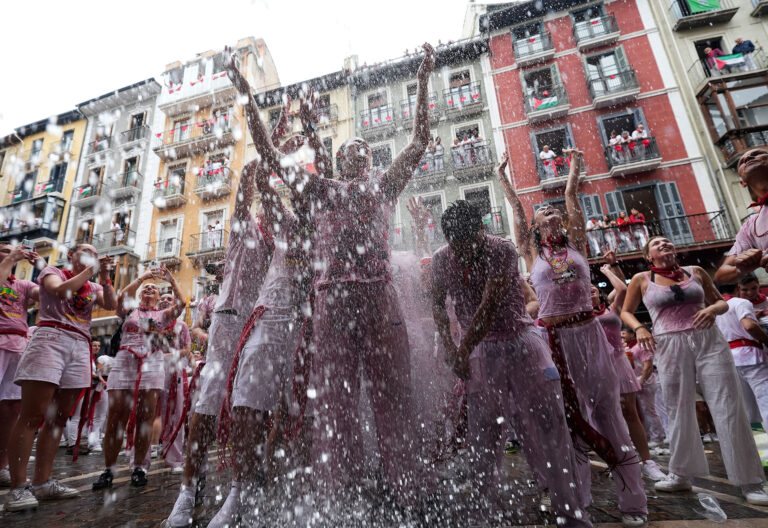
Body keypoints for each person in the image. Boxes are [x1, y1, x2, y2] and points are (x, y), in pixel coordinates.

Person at [227, 42, 436, 507]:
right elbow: (267, 151)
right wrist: (246, 93)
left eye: (364, 150)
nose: (357, 154)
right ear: (339, 161)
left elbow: (420, 140)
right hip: (333, 300)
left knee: (393, 395)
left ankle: (405, 487)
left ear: (371, 161)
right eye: (350, 150)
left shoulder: (384, 184)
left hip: (380, 297)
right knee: (334, 403)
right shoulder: (320, 190)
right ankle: (338, 492)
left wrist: (422, 80)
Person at [498, 148, 648, 526]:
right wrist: (503, 180)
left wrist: (575, 169)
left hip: (589, 333)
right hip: (554, 341)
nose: (550, 213)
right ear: (533, 227)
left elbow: (572, 199)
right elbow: (517, 214)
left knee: (610, 414)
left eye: (555, 211)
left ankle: (634, 503)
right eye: (542, 212)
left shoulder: (577, 246)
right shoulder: (532, 253)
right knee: (568, 421)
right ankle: (578, 502)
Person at [163, 95, 293, 528]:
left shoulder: (285, 241)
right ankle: (186, 492)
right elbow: (253, 175)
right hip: (229, 320)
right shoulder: (244, 224)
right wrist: (275, 139)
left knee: (253, 406)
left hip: (265, 321)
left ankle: (243, 488)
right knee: (206, 404)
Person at [431, 197, 592, 526]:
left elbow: (489, 306)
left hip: (522, 345)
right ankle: (481, 512)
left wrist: (462, 350)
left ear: (481, 229)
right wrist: (449, 346)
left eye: (468, 243)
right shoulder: (440, 258)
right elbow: (436, 302)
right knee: (484, 437)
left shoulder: (501, 249)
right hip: (480, 353)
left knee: (550, 430)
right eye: (455, 245)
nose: (462, 251)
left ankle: (570, 512)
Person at [621, 236, 768, 505]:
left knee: (728, 405)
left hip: (709, 339)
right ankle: (680, 473)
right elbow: (626, 312)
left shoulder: (695, 272)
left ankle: (751, 481)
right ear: (648, 256)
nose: (664, 243)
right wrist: (640, 328)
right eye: (657, 243)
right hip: (668, 343)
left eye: (667, 241)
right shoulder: (642, 279)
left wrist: (712, 309)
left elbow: (722, 302)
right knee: (678, 406)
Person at [5, 244, 116, 511]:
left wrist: (106, 278)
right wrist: (91, 270)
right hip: (51, 337)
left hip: (80, 343)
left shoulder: (93, 286)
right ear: (71, 255)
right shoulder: (53, 271)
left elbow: (113, 305)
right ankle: (18, 488)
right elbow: (58, 290)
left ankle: (42, 482)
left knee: (59, 417)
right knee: (32, 414)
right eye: (85, 251)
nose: (91, 254)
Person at [93, 265, 184, 490]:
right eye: (147, 288)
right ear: (141, 293)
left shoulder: (163, 315)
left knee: (145, 418)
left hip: (152, 363)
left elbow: (181, 303)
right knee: (116, 419)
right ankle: (109, 469)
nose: (150, 289)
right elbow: (122, 296)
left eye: (154, 288)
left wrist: (171, 279)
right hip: (124, 361)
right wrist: (143, 277)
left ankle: (140, 468)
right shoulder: (130, 310)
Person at [591, 255, 666, 481]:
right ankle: (618, 460)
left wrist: (607, 270)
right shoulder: (579, 316)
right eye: (586, 290)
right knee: (603, 416)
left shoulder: (611, 310)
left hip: (618, 363)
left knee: (630, 413)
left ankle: (647, 462)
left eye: (593, 289)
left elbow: (622, 288)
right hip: (595, 368)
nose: (590, 292)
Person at [0, 245, 39, 488]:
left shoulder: (22, 285)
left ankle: (2, 465)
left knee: (12, 410)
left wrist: (42, 268)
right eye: (4, 250)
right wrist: (11, 258)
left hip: (17, 347)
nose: (10, 252)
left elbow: (49, 295)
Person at [716, 281, 768, 430]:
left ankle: (757, 442)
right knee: (765, 400)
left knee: (747, 405)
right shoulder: (740, 302)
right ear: (738, 288)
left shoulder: (712, 308)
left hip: (729, 357)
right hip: (751, 355)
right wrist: (765, 339)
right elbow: (749, 326)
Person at [715, 148, 768, 285]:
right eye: (741, 162)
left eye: (756, 154)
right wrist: (742, 268)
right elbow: (721, 276)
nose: (747, 158)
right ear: (743, 182)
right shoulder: (750, 226)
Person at [622, 327, 666, 447]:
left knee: (649, 410)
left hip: (645, 382)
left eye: (624, 333)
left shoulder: (641, 346)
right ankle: (646, 435)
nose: (622, 336)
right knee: (639, 412)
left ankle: (658, 437)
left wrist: (641, 382)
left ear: (632, 335)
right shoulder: (628, 348)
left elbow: (648, 366)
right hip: (634, 382)